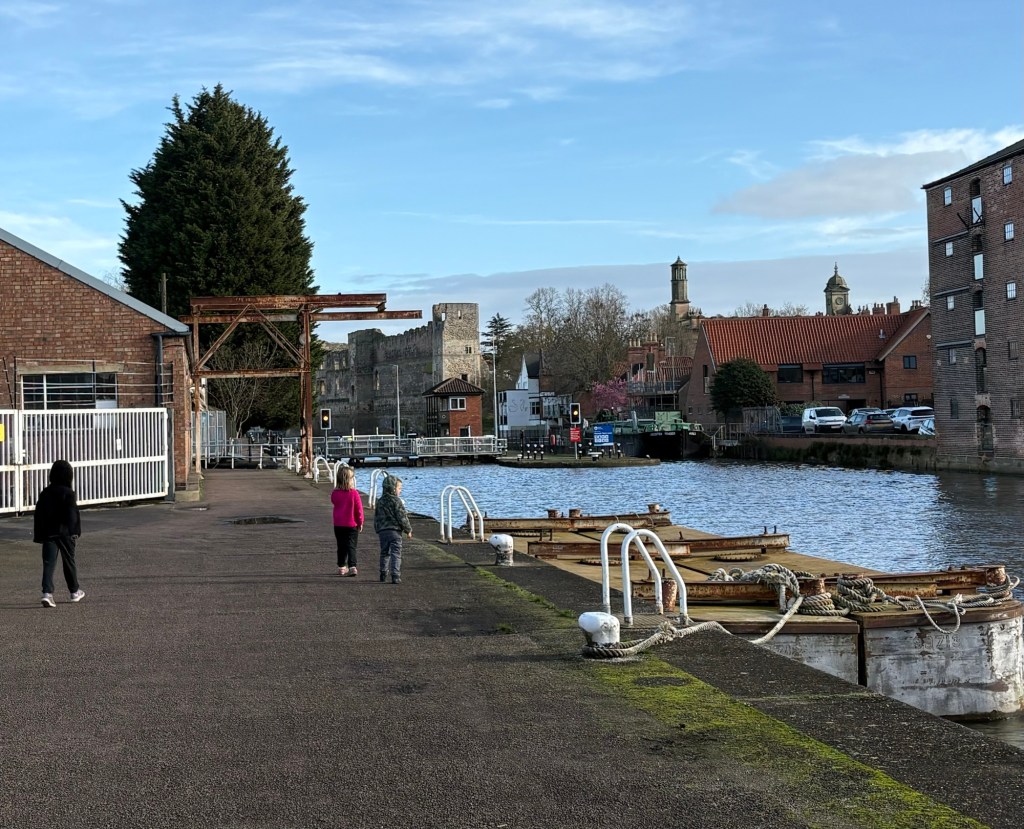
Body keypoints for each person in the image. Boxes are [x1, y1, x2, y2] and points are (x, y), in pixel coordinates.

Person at [33, 459, 84, 607]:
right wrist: (74, 531)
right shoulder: (68, 493)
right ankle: (74, 591)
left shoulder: (45, 493)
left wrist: (39, 535)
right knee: (69, 561)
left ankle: (47, 593)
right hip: (65, 533)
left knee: (48, 563)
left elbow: (39, 514)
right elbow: (72, 514)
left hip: (49, 533)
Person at [373, 474, 412, 584]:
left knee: (384, 553)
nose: (400, 491)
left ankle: (383, 573)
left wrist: (377, 528)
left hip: (383, 531)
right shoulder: (397, 501)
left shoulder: (380, 501)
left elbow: (377, 517)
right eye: (399, 488)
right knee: (396, 553)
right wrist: (408, 530)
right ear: (393, 488)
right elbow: (402, 517)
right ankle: (395, 575)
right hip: (395, 531)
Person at [331, 465, 364, 576]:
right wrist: (360, 522)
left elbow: (333, 501)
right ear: (349, 480)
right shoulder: (354, 493)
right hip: (352, 524)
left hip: (338, 524)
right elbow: (359, 510)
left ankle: (341, 567)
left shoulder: (335, 493)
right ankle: (352, 566)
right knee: (351, 545)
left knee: (341, 546)